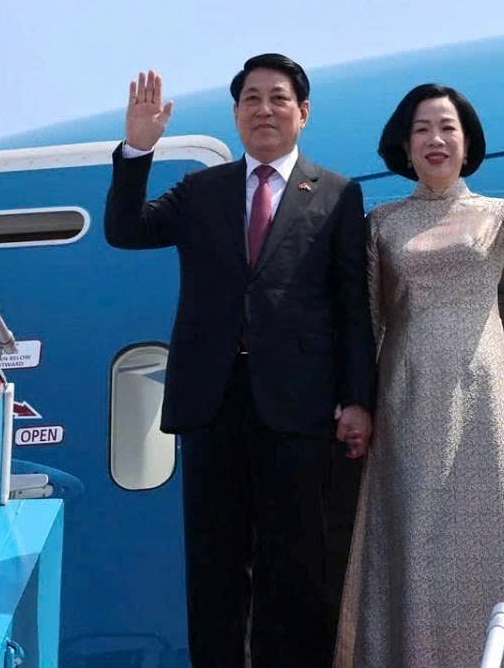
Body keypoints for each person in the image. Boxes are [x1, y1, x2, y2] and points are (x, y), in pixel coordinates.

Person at [104, 53, 377, 668]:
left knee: (298, 571)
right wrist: (137, 151)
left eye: (278, 98)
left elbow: (353, 307)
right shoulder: (203, 190)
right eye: (251, 98)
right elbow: (126, 230)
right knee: (214, 570)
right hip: (213, 405)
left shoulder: (336, 194)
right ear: (235, 114)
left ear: (302, 113)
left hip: (299, 410)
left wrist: (358, 398)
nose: (264, 109)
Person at [333, 62, 504, 667]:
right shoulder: (382, 222)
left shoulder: (495, 214)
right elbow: (365, 319)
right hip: (408, 388)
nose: (435, 140)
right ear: (405, 144)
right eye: (422, 129)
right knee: (414, 534)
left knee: (495, 531)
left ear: (466, 143)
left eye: (447, 127)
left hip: (484, 388)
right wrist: (358, 400)